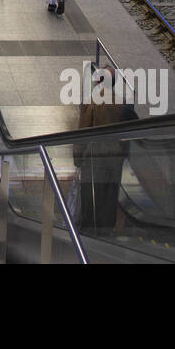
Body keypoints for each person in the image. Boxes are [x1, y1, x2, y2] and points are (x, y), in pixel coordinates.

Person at [73, 66, 139, 234]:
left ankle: (88, 227)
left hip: (94, 155)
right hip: (115, 155)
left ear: (98, 81)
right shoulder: (122, 102)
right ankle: (106, 229)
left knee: (89, 190)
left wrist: (77, 158)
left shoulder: (91, 103)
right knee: (110, 193)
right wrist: (124, 152)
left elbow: (82, 132)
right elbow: (130, 130)